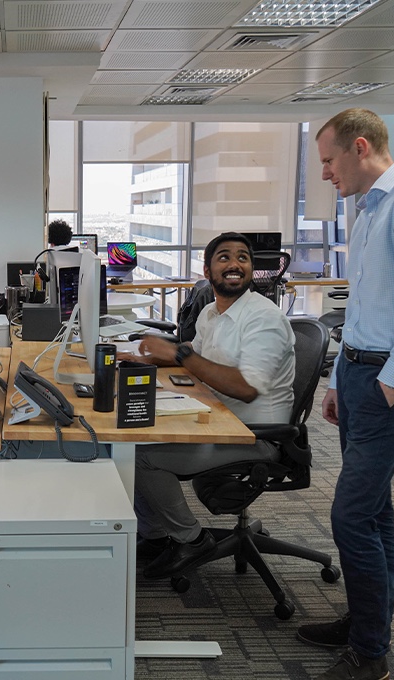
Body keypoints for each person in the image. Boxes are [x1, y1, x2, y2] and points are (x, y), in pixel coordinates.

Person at [296, 108, 394, 680]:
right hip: (362, 372)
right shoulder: (368, 209)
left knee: (351, 515)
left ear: (359, 147)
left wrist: (387, 384)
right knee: (374, 510)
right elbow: (361, 310)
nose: (326, 174)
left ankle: (371, 654)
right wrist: (340, 378)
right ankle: (367, 621)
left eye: (329, 160)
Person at [122, 232, 295, 579]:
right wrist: (141, 360)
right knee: (131, 442)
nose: (235, 264)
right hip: (218, 421)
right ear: (208, 269)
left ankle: (192, 539)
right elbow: (196, 359)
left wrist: (178, 353)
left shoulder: (263, 319)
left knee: (140, 457)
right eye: (225, 257)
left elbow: (245, 388)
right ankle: (157, 537)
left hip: (252, 435)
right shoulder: (211, 314)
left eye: (243, 258)